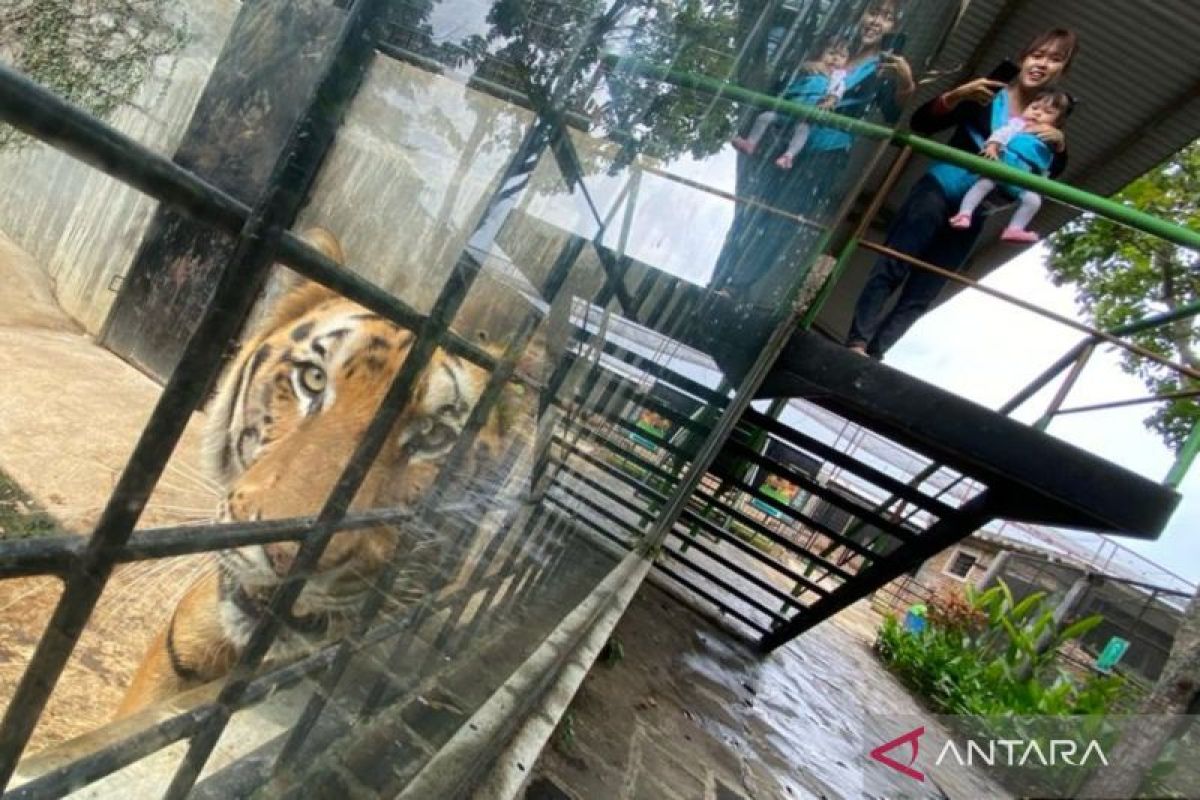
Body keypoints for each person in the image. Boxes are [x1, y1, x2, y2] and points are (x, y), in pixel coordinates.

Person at [846, 28, 1079, 359]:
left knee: (925, 290)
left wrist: (1060, 145)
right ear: (1024, 57)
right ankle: (857, 342)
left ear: (1063, 70)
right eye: (1037, 55)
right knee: (894, 263)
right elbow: (921, 125)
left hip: (977, 211)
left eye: (1055, 60)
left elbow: (1048, 173)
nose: (1042, 64)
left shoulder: (1051, 113)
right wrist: (955, 96)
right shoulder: (988, 92)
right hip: (940, 188)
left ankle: (876, 353)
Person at [710, 0, 915, 294]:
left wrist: (906, 83)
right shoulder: (835, 44)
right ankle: (718, 278)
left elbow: (893, 113)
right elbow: (785, 77)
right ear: (861, 14)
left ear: (893, 27)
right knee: (750, 210)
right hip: (781, 138)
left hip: (824, 151)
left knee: (783, 219)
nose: (875, 22)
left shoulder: (882, 67)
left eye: (886, 18)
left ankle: (737, 286)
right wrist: (809, 65)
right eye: (872, 12)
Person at [949, 88, 1072, 243]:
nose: (1037, 113)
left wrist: (1059, 145)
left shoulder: (1051, 142)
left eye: (1047, 112)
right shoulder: (1018, 125)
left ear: (1057, 122)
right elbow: (1001, 134)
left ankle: (1015, 229)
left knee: (1034, 201)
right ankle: (964, 213)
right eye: (1034, 108)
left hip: (1022, 181)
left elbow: (1049, 167)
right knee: (983, 184)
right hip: (1003, 168)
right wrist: (992, 147)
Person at [731, 36, 852, 169]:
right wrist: (806, 66)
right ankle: (750, 143)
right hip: (788, 108)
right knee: (764, 117)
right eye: (831, 53)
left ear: (846, 61)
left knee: (802, 131)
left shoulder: (837, 76)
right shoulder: (811, 67)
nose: (835, 59)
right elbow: (796, 72)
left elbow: (837, 91)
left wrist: (830, 101)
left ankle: (788, 156)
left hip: (805, 114)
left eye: (842, 56)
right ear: (821, 54)